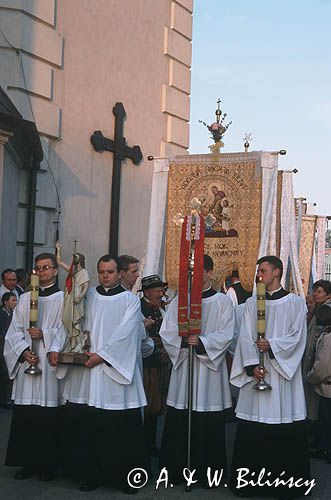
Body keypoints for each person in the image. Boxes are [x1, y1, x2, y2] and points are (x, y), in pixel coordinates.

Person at [55, 255, 147, 493]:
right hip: (87, 373)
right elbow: (70, 321)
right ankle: (91, 475)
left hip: (113, 372)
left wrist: (103, 356)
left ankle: (125, 478)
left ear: (119, 273)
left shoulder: (130, 300)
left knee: (119, 430)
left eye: (110, 272)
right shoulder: (87, 295)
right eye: (102, 272)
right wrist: (56, 348)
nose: (105, 276)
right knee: (90, 427)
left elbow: (126, 334)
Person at [230, 255, 311, 498]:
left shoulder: (295, 303)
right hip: (258, 374)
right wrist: (251, 366)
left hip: (281, 376)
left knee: (282, 420)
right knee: (253, 424)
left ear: (277, 272)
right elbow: (243, 336)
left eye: (263, 270)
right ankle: (250, 482)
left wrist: (272, 346)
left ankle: (286, 485)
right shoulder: (252, 304)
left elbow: (298, 337)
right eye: (258, 271)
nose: (259, 275)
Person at [159, 254, 234, 487]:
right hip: (185, 373)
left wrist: (201, 342)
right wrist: (182, 341)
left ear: (210, 273)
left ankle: (209, 475)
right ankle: (176, 471)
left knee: (207, 422)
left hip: (209, 374)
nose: (193, 277)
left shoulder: (222, 302)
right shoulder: (180, 301)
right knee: (181, 416)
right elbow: (167, 331)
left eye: (198, 271)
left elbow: (227, 334)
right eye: (189, 273)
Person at [4, 253, 66, 481]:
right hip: (28, 361)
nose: (42, 272)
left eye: (46, 268)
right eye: (38, 268)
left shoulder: (63, 298)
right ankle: (28, 464)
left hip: (49, 363)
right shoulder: (25, 298)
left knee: (48, 416)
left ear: (55, 271)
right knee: (27, 415)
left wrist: (45, 335)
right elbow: (15, 331)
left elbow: (65, 329)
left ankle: (48, 466)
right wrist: (23, 352)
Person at [140, 275, 170, 458]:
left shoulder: (162, 309)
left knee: (157, 405)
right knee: (148, 403)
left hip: (160, 362)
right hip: (147, 364)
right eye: (158, 290)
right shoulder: (139, 308)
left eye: (162, 290)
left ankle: (151, 442)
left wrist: (168, 349)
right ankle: (144, 443)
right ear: (148, 292)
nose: (162, 293)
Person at [303, 279, 331, 454]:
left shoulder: (325, 312)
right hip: (316, 365)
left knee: (325, 414)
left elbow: (324, 358)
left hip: (321, 372)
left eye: (320, 291)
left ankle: (324, 448)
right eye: (315, 291)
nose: (316, 294)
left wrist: (312, 374)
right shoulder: (317, 310)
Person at [56, 242, 90, 352]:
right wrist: (59, 250)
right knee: (67, 320)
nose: (73, 259)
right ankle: (71, 343)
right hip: (70, 298)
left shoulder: (84, 272)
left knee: (76, 321)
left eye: (75, 257)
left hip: (77, 300)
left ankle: (78, 343)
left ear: (80, 260)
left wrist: (80, 297)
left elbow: (86, 286)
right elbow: (59, 262)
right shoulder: (73, 272)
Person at [0, 292, 17, 407]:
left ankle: (8, 398)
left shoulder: (13, 314)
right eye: (13, 300)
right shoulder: (2, 314)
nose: (16, 303)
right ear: (6, 302)